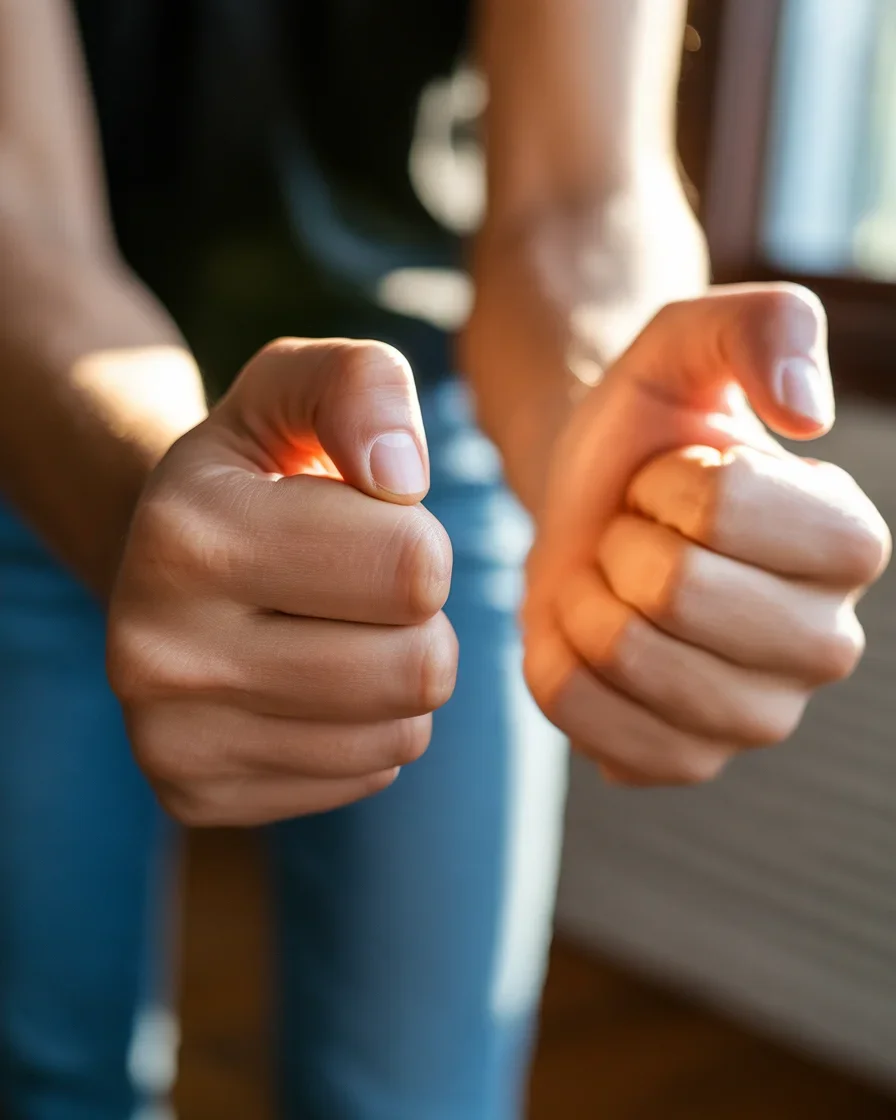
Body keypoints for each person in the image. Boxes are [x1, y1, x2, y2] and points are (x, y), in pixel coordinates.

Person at [0, 1, 889, 1117]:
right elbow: (16, 210)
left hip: (427, 428)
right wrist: (144, 504)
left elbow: (579, 189)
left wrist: (607, 435)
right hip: (30, 403)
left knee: (421, 1090)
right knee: (42, 1069)